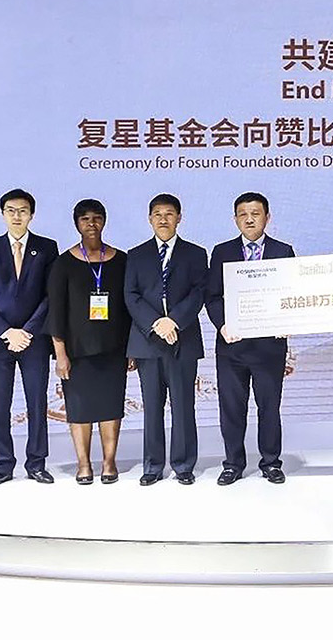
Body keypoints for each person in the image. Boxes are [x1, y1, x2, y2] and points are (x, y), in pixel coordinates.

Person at [205, 192, 298, 485]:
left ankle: (271, 463)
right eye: (243, 214)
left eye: (255, 214)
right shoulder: (222, 252)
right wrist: (222, 325)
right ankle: (233, 464)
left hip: (269, 346)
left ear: (267, 218)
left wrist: (286, 321)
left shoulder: (283, 251)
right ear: (235, 219)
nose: (249, 219)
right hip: (232, 345)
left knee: (269, 407)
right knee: (232, 408)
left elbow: (292, 293)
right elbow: (213, 296)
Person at [0, 189, 61, 488]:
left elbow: (51, 295)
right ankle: (2, 465)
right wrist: (7, 331)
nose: (17, 216)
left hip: (34, 341)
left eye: (22, 210)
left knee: (37, 404)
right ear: (2, 214)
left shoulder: (47, 248)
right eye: (11, 210)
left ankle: (36, 463)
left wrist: (27, 331)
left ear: (31, 215)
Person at [46, 199, 135, 485]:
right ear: (77, 224)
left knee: (111, 406)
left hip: (114, 349)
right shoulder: (63, 263)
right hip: (77, 352)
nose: (91, 224)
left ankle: (109, 462)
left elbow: (130, 308)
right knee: (80, 409)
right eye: (85, 219)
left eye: (97, 218)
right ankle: (83, 464)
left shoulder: (122, 260)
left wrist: (131, 349)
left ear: (104, 221)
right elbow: (56, 312)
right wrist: (60, 353)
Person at [124, 193, 209, 486]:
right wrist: (156, 323)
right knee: (152, 407)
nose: (163, 219)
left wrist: (173, 321)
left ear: (179, 218)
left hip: (182, 340)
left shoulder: (196, 253)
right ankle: (153, 465)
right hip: (148, 341)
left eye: (169, 214)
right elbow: (131, 295)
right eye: (158, 214)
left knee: (183, 406)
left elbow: (199, 292)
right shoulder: (136, 255)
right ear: (150, 219)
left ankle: (183, 465)